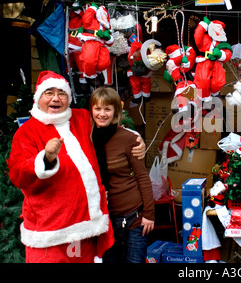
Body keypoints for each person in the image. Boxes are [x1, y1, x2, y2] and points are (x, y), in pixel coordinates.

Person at [7, 70, 146, 263]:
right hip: (50, 233)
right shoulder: (27, 132)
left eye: (61, 93)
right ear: (38, 97)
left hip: (86, 229)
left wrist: (137, 140)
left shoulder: (81, 118)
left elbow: (108, 124)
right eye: (49, 93)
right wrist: (45, 158)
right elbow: (17, 174)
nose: (56, 98)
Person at [90, 87, 155, 263]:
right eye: (98, 108)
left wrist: (148, 214)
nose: (102, 114)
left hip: (133, 217)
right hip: (104, 219)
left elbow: (142, 177)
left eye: (107, 109)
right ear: (91, 110)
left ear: (116, 111)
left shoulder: (128, 139)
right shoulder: (86, 138)